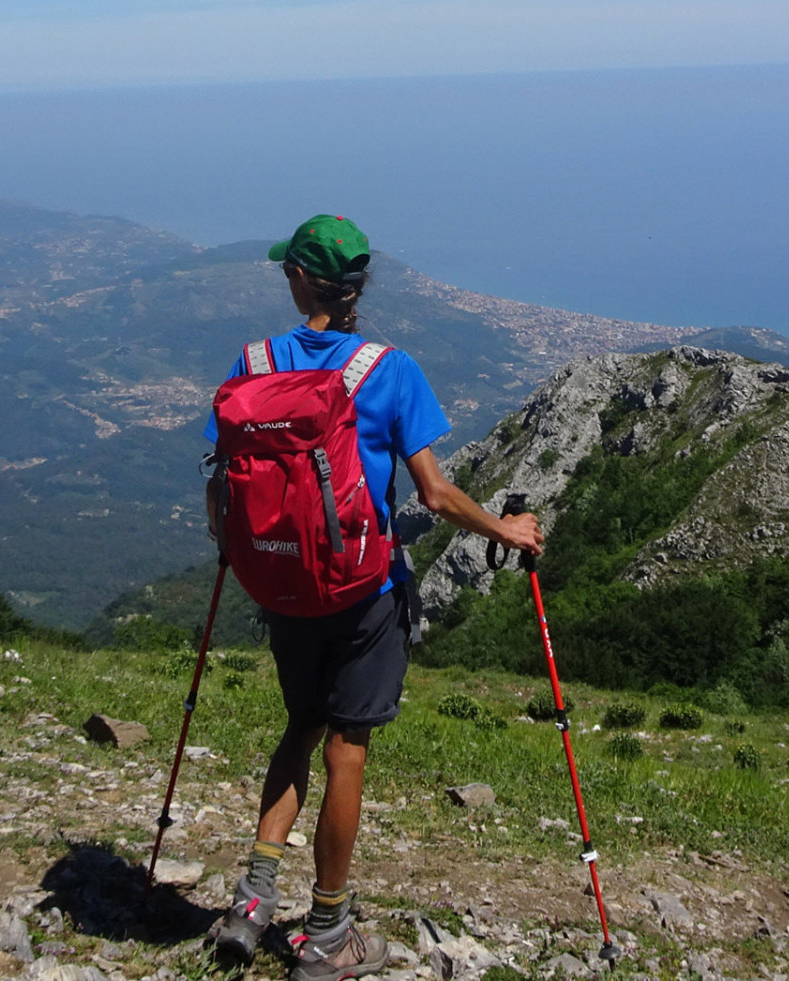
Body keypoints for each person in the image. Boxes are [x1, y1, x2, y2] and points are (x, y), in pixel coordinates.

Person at [204, 214, 543, 980]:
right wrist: (508, 530)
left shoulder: (253, 363)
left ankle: (252, 902)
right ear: (357, 288)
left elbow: (222, 475)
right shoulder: (389, 370)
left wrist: (235, 551)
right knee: (345, 747)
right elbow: (437, 492)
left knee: (298, 724)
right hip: (363, 590)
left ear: (299, 279)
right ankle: (327, 932)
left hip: (283, 586)